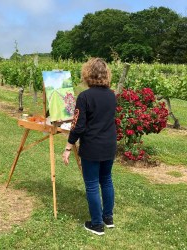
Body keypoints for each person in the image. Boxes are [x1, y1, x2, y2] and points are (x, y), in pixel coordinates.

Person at [62, 57, 117, 236]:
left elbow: (78, 126)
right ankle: (108, 218)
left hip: (92, 147)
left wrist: (68, 146)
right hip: (109, 145)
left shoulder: (85, 97)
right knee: (106, 180)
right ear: (106, 74)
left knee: (92, 184)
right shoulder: (111, 95)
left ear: (87, 74)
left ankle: (97, 224)